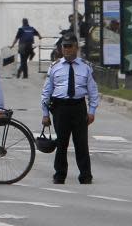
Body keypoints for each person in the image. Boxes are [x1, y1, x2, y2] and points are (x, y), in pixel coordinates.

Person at [41, 32, 99, 185]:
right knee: (61, 143)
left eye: (69, 46)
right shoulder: (54, 67)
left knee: (81, 143)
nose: (66, 49)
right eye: (64, 47)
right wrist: (45, 114)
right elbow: (46, 91)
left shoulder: (86, 67)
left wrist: (92, 111)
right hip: (60, 108)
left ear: (76, 48)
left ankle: (85, 175)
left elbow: (93, 90)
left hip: (78, 107)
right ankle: (60, 174)